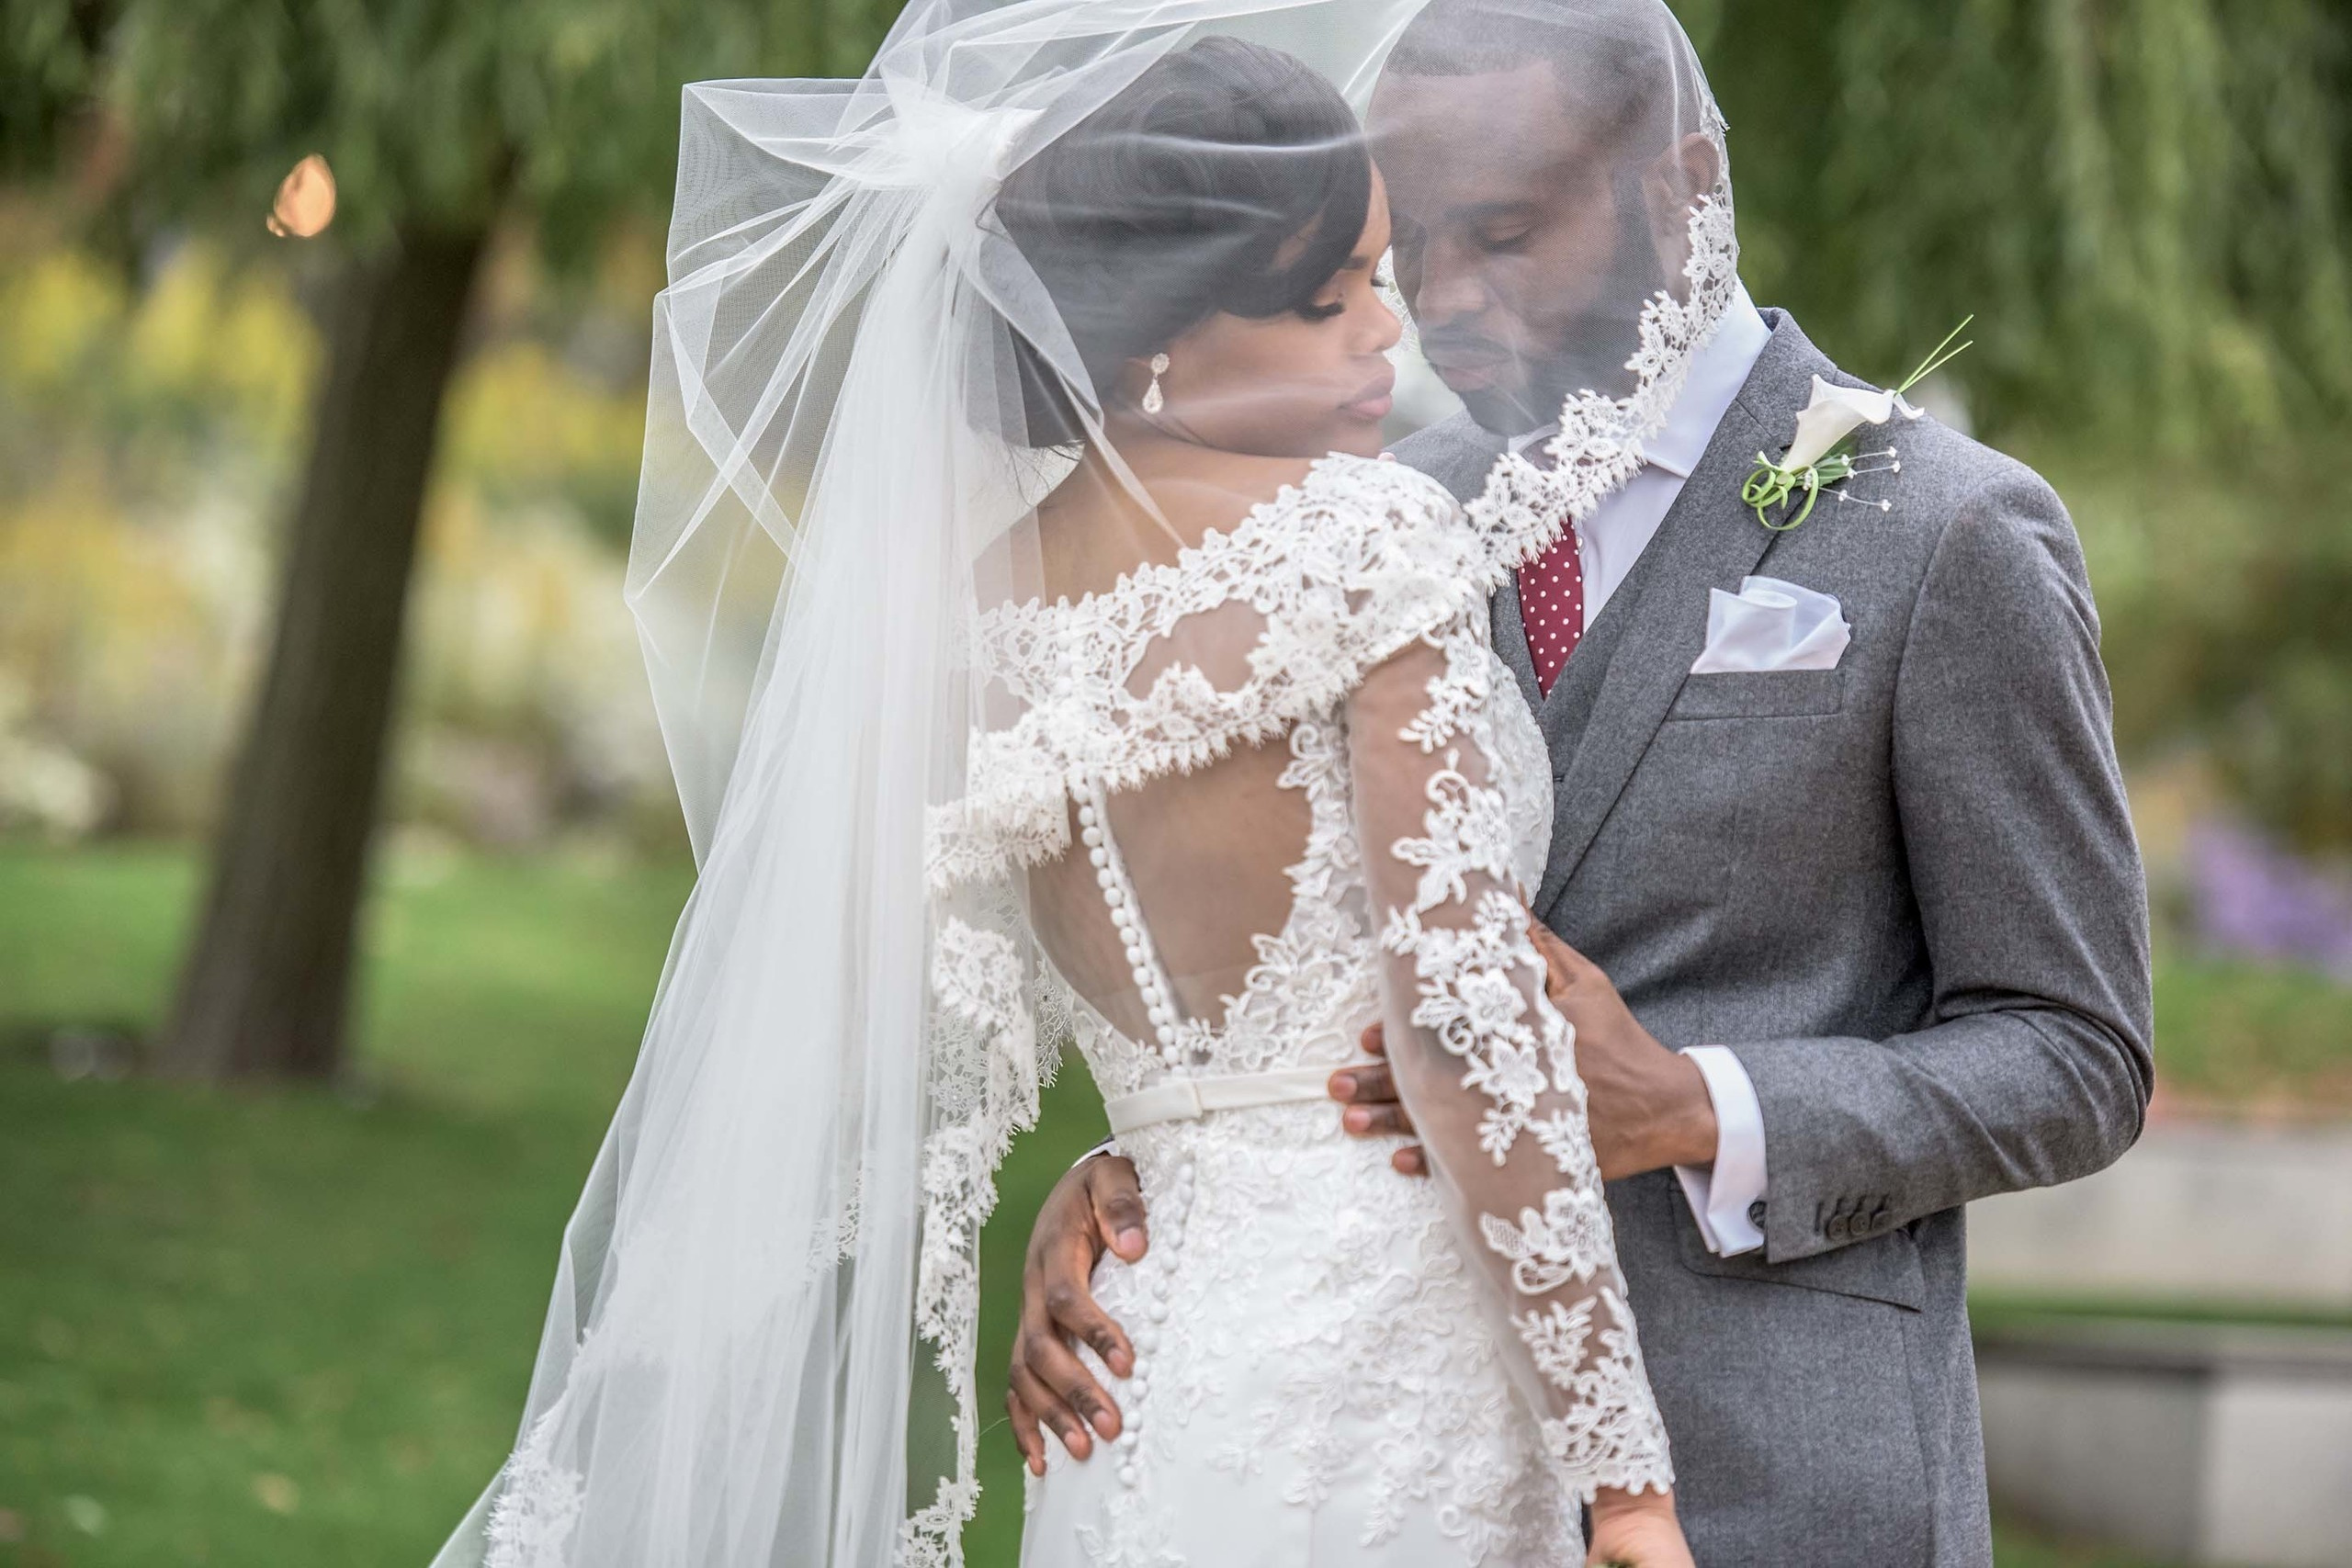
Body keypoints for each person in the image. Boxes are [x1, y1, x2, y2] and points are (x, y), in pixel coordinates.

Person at [428, 3, 1718, 1566]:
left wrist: (1116, 1161)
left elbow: (1107, 1033)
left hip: (1132, 1354)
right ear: (1157, 336)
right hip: (1386, 1353)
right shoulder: (1369, 542)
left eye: (1378, 279)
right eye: (1332, 300)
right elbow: (1461, 1032)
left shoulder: (963, 622)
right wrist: (1627, 1478)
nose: (1393, 332)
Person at [1011, 2, 2157, 1564]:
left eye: (1501, 237)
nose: (1439, 308)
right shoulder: (1361, 517)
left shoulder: (1944, 536)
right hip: (1381, 1466)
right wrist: (1157, 1176)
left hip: (1769, 1472)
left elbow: (2078, 1054)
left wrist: (1697, 1106)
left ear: (1681, 189)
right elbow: (1277, 940)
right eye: (1406, 250)